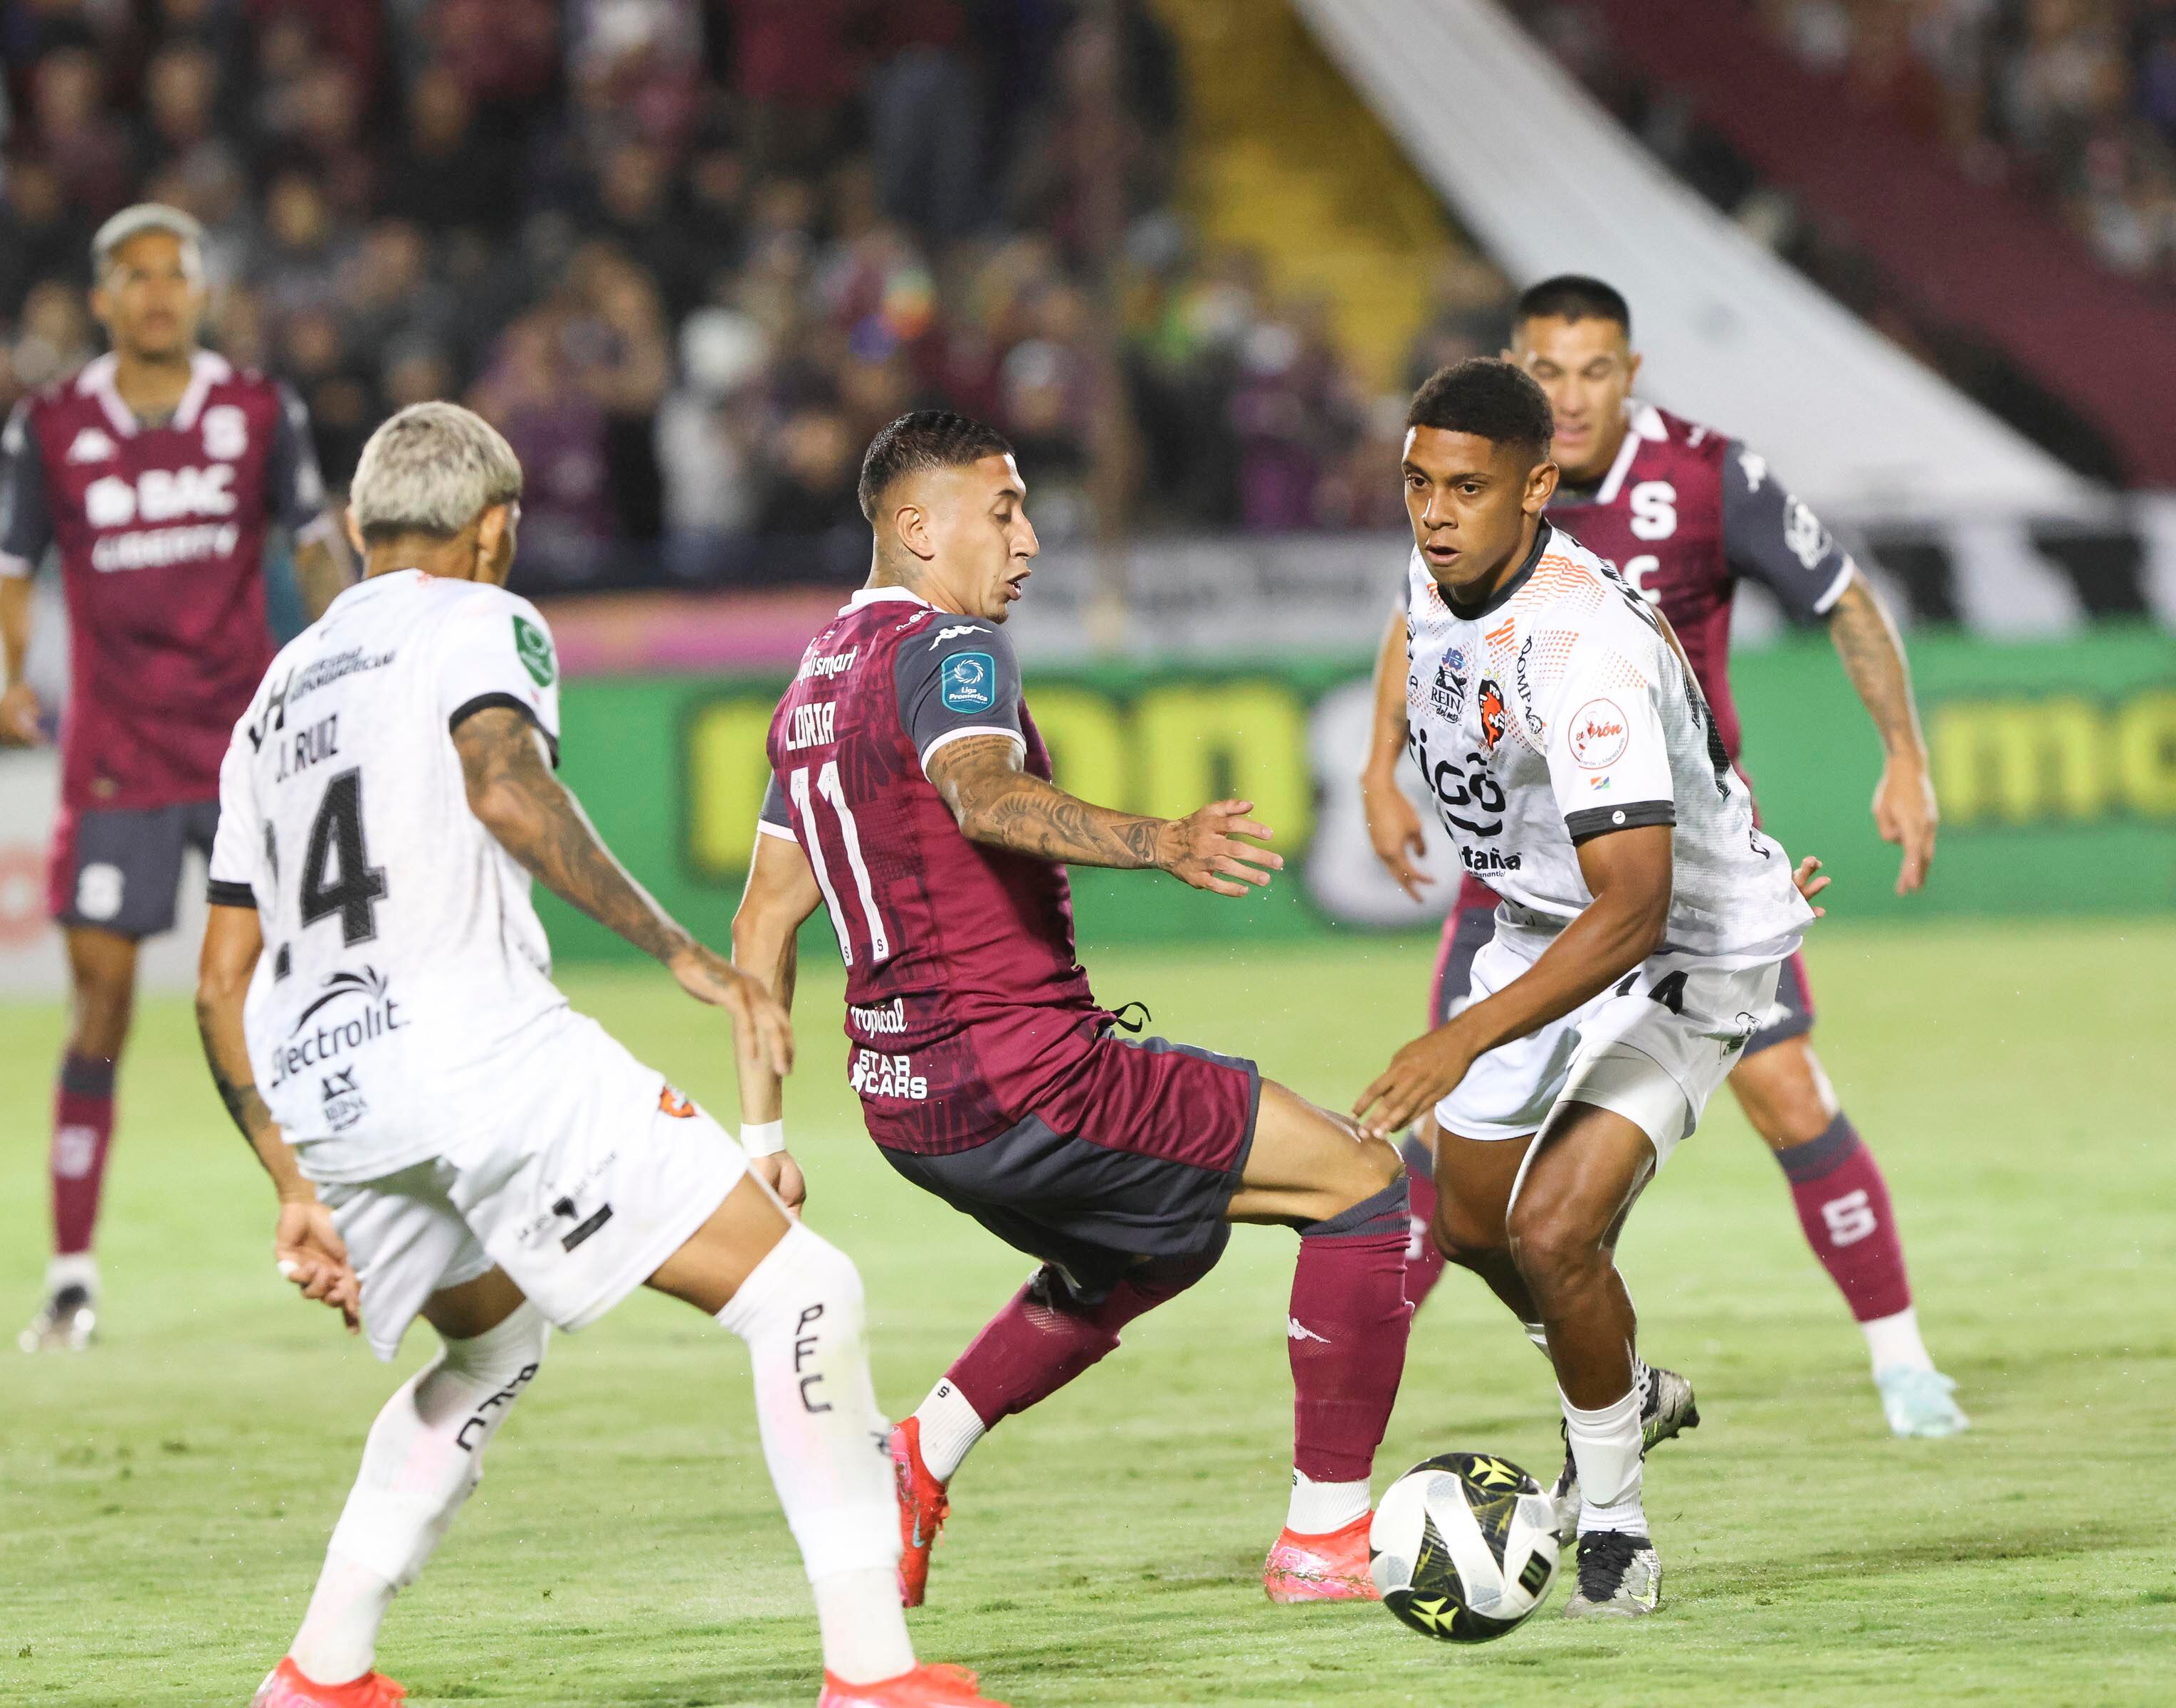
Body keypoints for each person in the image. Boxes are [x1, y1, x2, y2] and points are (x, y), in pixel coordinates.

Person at [197, 403, 1006, 1708]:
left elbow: (219, 980)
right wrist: (678, 950)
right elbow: (505, 783)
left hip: (334, 1094)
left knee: (486, 1348)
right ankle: (871, 1673)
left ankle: (320, 1671)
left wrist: (294, 1179)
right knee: (805, 1294)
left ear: (355, 527)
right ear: (495, 530)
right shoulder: (482, 618)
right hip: (480, 1061)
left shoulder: (273, 697)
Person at [729, 411, 1416, 1610]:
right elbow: (983, 796)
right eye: (1003, 512)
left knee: (1158, 1240)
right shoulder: (952, 648)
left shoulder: (815, 683)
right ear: (918, 527)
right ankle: (1324, 1542)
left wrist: (763, 1142)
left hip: (906, 1109)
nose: (1030, 541)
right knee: (1361, 1185)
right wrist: (1163, 840)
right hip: (1029, 1079)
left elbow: (759, 924)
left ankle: (916, 1457)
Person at [1359, 276, 1965, 1440]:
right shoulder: (1469, 484)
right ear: (1518, 372)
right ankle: (1439, 1401)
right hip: (1518, 881)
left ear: (1631, 374)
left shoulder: (1706, 477)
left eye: (1595, 370)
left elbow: (1845, 600)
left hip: (1678, 869)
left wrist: (1905, 755)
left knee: (1786, 1092)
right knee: (1456, 1165)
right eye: (1548, 371)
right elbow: (1415, 617)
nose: (1572, 395)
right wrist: (1380, 768)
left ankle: (1902, 1361)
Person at [1352, 358, 1826, 1618]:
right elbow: (1415, 632)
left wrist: (1458, 1039)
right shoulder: (1441, 566)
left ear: (1537, 488)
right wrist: (1378, 765)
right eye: (1417, 483)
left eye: (1466, 489)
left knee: (1554, 1231)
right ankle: (1621, 1384)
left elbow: (1634, 910)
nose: (1433, 513)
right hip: (1539, 928)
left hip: (1685, 949)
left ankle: (1613, 1529)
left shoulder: (1582, 646)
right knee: (1469, 1229)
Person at [0, 202, 351, 1354]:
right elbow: (8, 566)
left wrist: (353, 653)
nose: (155, 293)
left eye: (173, 274)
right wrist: (5, 674)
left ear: (201, 293)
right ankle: (71, 1277)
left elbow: (314, 542)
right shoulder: (51, 423)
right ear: (102, 299)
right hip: (116, 762)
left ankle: (352, 1224)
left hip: (245, 752)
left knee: (307, 986)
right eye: (134, 276)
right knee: (100, 1008)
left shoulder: (258, 410)